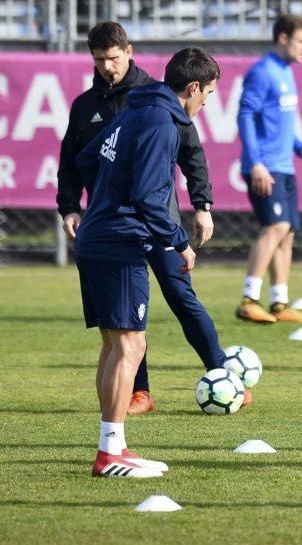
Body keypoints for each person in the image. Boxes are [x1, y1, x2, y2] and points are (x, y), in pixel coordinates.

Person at [57, 22, 230, 415]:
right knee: (127, 338)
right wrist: (82, 203)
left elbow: (192, 157)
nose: (106, 66)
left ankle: (220, 371)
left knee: (163, 310)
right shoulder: (147, 112)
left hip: (129, 225)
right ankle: (126, 417)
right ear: (193, 89)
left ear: (128, 52)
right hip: (135, 227)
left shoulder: (147, 98)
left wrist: (201, 204)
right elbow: (82, 163)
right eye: (99, 59)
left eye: (112, 57)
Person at [75, 47, 219, 477]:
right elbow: (149, 197)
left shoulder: (137, 108)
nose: (206, 103)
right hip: (120, 242)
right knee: (130, 346)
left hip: (97, 237)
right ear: (192, 87)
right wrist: (179, 242)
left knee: (115, 345)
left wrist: (103, 200)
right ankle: (109, 455)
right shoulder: (161, 121)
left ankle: (114, 446)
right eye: (208, 94)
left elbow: (87, 159)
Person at [236, 13, 302, 325]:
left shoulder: (285, 72)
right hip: (265, 167)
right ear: (283, 38)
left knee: (286, 234)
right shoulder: (263, 72)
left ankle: (279, 303)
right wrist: (256, 162)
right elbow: (245, 116)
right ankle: (249, 298)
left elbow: (281, 121)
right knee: (275, 227)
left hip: (284, 166)